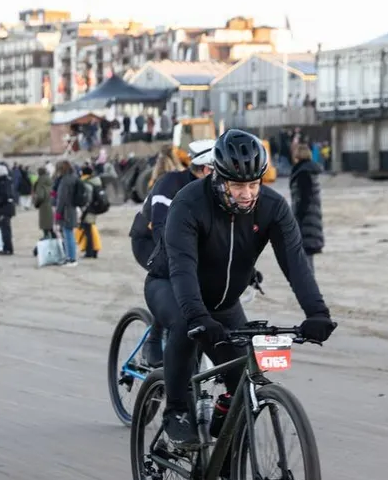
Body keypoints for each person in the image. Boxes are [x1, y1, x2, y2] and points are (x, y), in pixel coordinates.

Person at [145, 129, 335, 459]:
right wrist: (198, 316)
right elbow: (183, 269)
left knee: (242, 383)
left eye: (253, 184)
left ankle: (222, 467)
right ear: (219, 179)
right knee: (184, 326)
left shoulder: (273, 207)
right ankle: (176, 410)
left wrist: (317, 312)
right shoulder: (189, 204)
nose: (247, 194)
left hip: (225, 303)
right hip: (170, 286)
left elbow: (296, 264)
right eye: (237, 186)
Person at [129, 140, 216, 365]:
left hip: (181, 244)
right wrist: (179, 259)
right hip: (148, 242)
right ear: (205, 169)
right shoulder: (170, 183)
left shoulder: (210, 190)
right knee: (173, 279)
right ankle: (153, 341)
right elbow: (160, 227)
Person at [288, 142, 324, 271]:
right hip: (311, 219)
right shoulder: (308, 170)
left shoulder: (303, 172)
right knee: (306, 257)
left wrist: (298, 218)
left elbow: (304, 198)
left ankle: (308, 283)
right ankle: (308, 282)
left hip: (306, 221)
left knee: (305, 259)